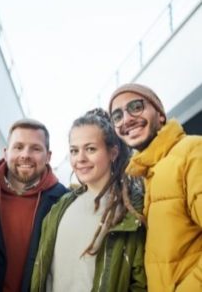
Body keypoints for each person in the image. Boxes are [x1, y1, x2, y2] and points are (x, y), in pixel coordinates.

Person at [31, 108, 147, 292]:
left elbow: (141, 283)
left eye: (90, 149)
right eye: (74, 151)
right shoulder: (59, 208)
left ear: (113, 152)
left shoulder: (132, 210)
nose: (80, 158)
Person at [108, 83, 202, 291]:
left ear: (160, 115)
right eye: (117, 116)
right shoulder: (148, 173)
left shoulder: (192, 151)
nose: (127, 119)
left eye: (135, 107)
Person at [0, 118, 67, 292]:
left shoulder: (63, 200)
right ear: (5, 153)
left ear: (48, 156)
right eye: (18, 147)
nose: (25, 155)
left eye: (35, 148)